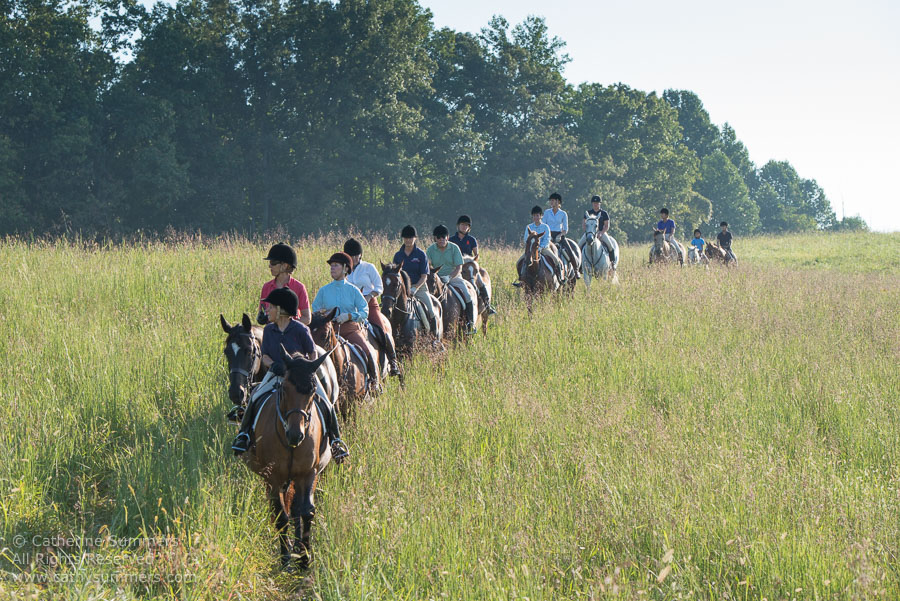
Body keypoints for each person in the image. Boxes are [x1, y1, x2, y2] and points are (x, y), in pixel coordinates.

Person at [232, 287, 349, 462]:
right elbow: (264, 356)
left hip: (300, 376)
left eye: (270, 307)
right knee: (255, 396)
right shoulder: (269, 330)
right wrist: (274, 365)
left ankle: (335, 441)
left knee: (326, 401)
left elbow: (312, 353)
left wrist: (304, 367)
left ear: (281, 310)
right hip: (277, 374)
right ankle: (244, 435)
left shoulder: (301, 329)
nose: (267, 310)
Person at [312, 252, 382, 390]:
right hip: (327, 331)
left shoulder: (354, 290)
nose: (332, 268)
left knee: (367, 351)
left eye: (336, 265)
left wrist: (349, 316)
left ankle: (374, 383)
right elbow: (314, 311)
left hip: (349, 330)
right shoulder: (323, 291)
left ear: (345, 268)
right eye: (331, 266)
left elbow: (364, 311)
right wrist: (322, 314)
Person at [343, 238, 401, 376]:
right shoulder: (343, 269)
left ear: (360, 255)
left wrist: (369, 296)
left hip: (369, 305)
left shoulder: (369, 267)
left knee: (382, 331)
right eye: (350, 256)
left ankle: (393, 362)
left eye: (355, 255)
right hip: (350, 308)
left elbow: (379, 287)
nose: (353, 258)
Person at [427, 225, 477, 334]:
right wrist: (436, 277)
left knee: (468, 296)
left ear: (447, 237)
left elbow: (459, 267)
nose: (441, 240)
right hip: (437, 278)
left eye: (443, 237)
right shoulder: (430, 250)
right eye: (439, 237)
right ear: (435, 238)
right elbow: (428, 266)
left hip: (454, 277)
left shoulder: (454, 248)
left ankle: (470, 324)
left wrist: (449, 277)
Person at [392, 225, 439, 335]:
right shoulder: (398, 255)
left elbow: (424, 276)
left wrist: (415, 288)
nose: (408, 240)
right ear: (403, 239)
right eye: (406, 238)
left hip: (419, 287)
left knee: (431, 311)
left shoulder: (421, 254)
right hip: (402, 288)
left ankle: (435, 339)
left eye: (410, 238)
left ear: (415, 238)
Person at [449, 215, 497, 315]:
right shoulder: (451, 239)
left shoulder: (471, 240)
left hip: (469, 266)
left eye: (466, 225)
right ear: (458, 226)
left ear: (469, 228)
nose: (464, 227)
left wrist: (472, 263)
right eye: (462, 225)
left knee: (481, 282)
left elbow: (476, 256)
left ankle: (487, 305)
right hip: (456, 267)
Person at [258, 243, 311, 325]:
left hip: (292, 334)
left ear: (285, 266)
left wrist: (287, 325)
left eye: (273, 262)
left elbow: (307, 318)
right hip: (272, 332)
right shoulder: (266, 287)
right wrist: (261, 318)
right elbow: (261, 311)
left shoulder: (299, 287)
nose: (270, 266)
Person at [515, 205, 564, 284]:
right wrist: (530, 248)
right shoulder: (529, 227)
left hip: (544, 249)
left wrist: (540, 248)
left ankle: (560, 278)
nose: (536, 217)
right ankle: (521, 280)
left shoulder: (545, 227)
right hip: (531, 250)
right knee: (518, 262)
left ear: (541, 216)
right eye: (534, 216)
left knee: (556, 260)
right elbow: (526, 239)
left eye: (537, 215)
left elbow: (547, 239)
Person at [544, 193, 579, 278]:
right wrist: (548, 235)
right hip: (549, 235)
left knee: (570, 251)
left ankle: (576, 270)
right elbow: (544, 226)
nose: (551, 202)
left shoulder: (563, 214)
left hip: (559, 235)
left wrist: (559, 235)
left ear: (557, 201)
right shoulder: (547, 212)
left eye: (552, 200)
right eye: (550, 200)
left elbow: (565, 229)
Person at [578, 195, 616, 267]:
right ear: (592, 204)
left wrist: (601, 233)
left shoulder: (604, 213)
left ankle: (612, 263)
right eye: (594, 203)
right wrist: (587, 232)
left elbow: (607, 226)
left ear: (600, 204)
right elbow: (583, 224)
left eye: (597, 203)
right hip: (589, 233)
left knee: (610, 246)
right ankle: (579, 265)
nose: (595, 204)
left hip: (601, 233)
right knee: (579, 245)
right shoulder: (588, 213)